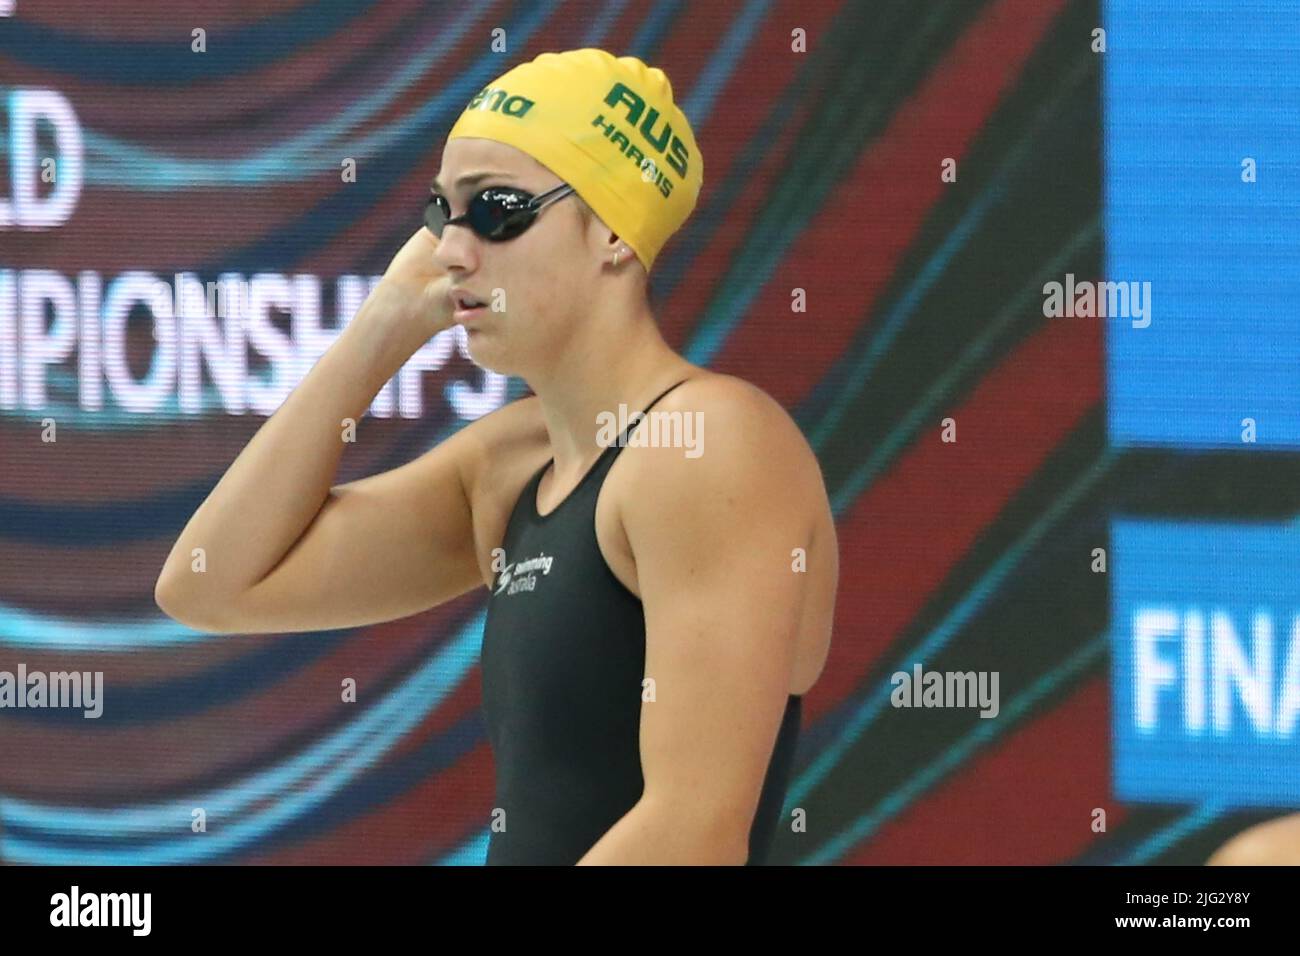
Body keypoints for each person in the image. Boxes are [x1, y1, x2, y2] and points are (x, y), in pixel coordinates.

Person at [155, 48, 838, 865]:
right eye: (442, 213)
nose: (451, 249)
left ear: (614, 232)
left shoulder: (709, 448)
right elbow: (211, 582)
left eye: (499, 211)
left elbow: (694, 832)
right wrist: (382, 328)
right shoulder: (513, 465)